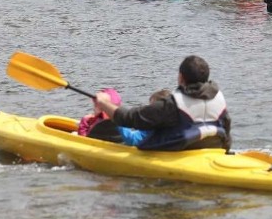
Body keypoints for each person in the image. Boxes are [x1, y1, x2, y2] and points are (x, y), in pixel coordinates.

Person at [94, 55, 231, 151]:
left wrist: (104, 103)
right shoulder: (219, 98)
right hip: (213, 151)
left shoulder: (173, 104)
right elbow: (227, 131)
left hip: (179, 153)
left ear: (181, 77)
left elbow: (130, 119)